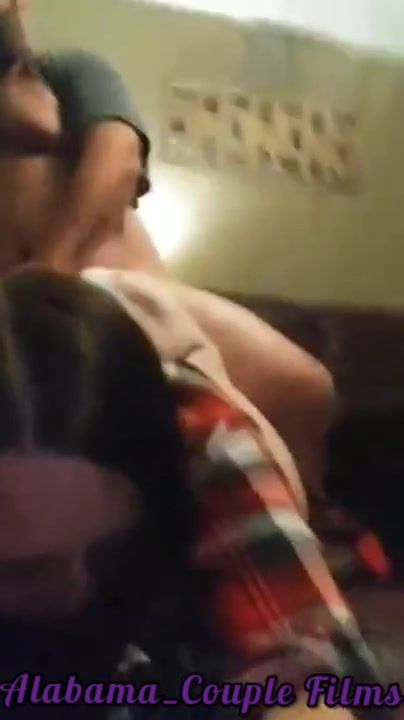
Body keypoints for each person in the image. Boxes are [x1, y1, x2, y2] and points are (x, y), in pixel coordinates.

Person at [0, 267, 390, 720]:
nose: (76, 589)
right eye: (23, 570)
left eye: (107, 552)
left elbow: (307, 671)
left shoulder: (198, 443)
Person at [0, 0, 334, 494]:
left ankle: (302, 522)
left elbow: (118, 159)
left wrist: (52, 272)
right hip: (28, 312)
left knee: (303, 387)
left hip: (130, 292)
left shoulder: (68, 72)